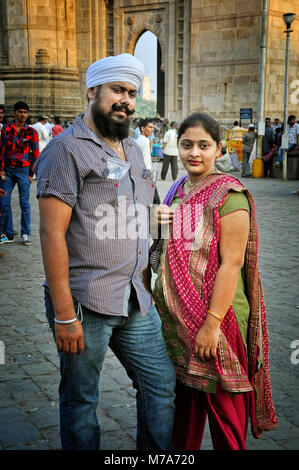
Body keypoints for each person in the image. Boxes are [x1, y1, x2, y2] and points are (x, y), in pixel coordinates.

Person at [34, 53, 176, 451]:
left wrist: (155, 217)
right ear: (93, 90)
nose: (125, 100)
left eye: (131, 93)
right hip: (85, 302)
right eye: (117, 90)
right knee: (81, 401)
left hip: (134, 297)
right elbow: (51, 234)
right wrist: (64, 315)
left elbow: (134, 214)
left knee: (161, 386)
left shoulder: (133, 148)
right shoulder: (66, 151)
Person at [150, 112, 277, 450]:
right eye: (187, 145)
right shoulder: (177, 189)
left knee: (225, 413)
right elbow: (163, 250)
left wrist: (211, 324)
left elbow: (231, 264)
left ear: (219, 149)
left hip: (219, 318)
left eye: (204, 146)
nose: (195, 153)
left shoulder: (230, 195)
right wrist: (154, 223)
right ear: (177, 147)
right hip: (177, 319)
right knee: (186, 410)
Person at [0, 101, 39, 245]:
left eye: (25, 112)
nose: (23, 115)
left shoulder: (31, 132)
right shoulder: (6, 128)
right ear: (14, 113)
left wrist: (30, 174)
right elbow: (2, 149)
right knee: (3, 201)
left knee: (24, 204)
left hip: (23, 171)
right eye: (20, 112)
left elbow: (35, 154)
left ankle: (25, 233)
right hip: (8, 171)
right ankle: (7, 234)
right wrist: (1, 169)